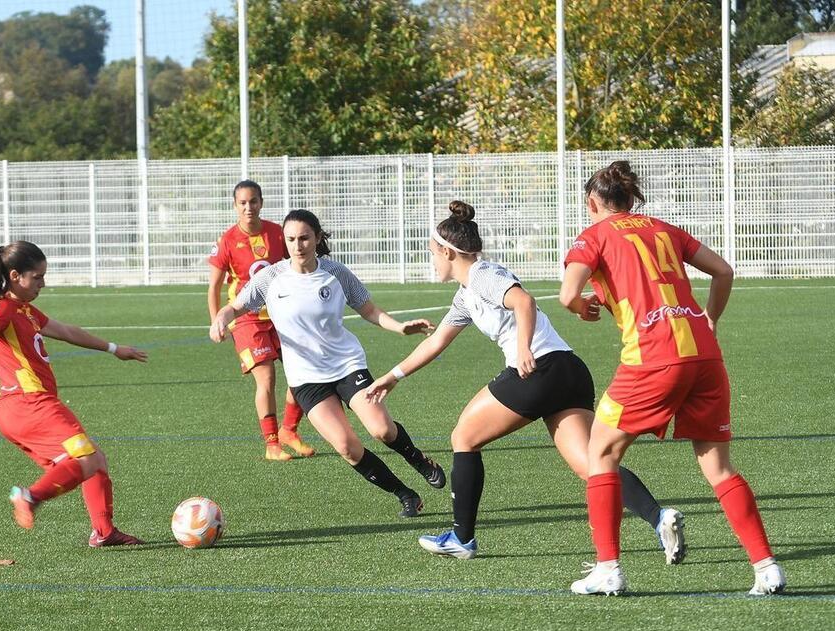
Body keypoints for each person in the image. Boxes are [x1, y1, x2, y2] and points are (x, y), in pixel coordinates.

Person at [365, 201, 685, 562]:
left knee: (463, 437)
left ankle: (462, 538)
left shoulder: (483, 276)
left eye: (432, 254)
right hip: (568, 371)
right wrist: (393, 377)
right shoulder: (465, 295)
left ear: (447, 251)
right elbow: (436, 342)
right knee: (591, 463)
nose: (432, 262)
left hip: (539, 370)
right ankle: (660, 519)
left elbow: (524, 301)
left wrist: (522, 351)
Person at [560, 160, 785, 596]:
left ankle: (608, 568)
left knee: (600, 452)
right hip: (704, 356)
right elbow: (723, 271)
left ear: (592, 202)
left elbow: (568, 292)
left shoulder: (595, 235)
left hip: (654, 360)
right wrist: (710, 318)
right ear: (632, 200)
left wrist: (576, 306)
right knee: (719, 467)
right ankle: (766, 567)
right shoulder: (663, 228)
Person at [210, 209, 446, 517]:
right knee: (348, 448)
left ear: (318, 238)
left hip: (346, 364)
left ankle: (418, 459)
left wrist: (400, 327)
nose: (298, 245)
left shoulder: (336, 273)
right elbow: (235, 307)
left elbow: (370, 310)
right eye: (291, 239)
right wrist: (220, 320)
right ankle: (405, 495)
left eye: (305, 238)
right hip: (306, 378)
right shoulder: (270, 277)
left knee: (381, 430)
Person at [0, 240, 147, 547]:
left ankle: (104, 532)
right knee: (87, 458)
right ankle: (29, 497)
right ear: (15, 276)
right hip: (29, 403)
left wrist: (114, 348)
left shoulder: (26, 311)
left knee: (94, 460)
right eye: (36, 277)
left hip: (15, 410)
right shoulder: (2, 308)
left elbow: (66, 331)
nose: (42, 282)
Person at [208, 180, 315, 462]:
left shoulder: (278, 233)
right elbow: (214, 287)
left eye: (253, 201)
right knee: (266, 378)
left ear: (261, 202)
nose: (248, 207)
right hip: (246, 320)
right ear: (235, 206)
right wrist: (216, 320)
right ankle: (271, 444)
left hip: (280, 314)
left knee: (302, 372)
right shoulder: (228, 240)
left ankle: (289, 431)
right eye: (242, 202)